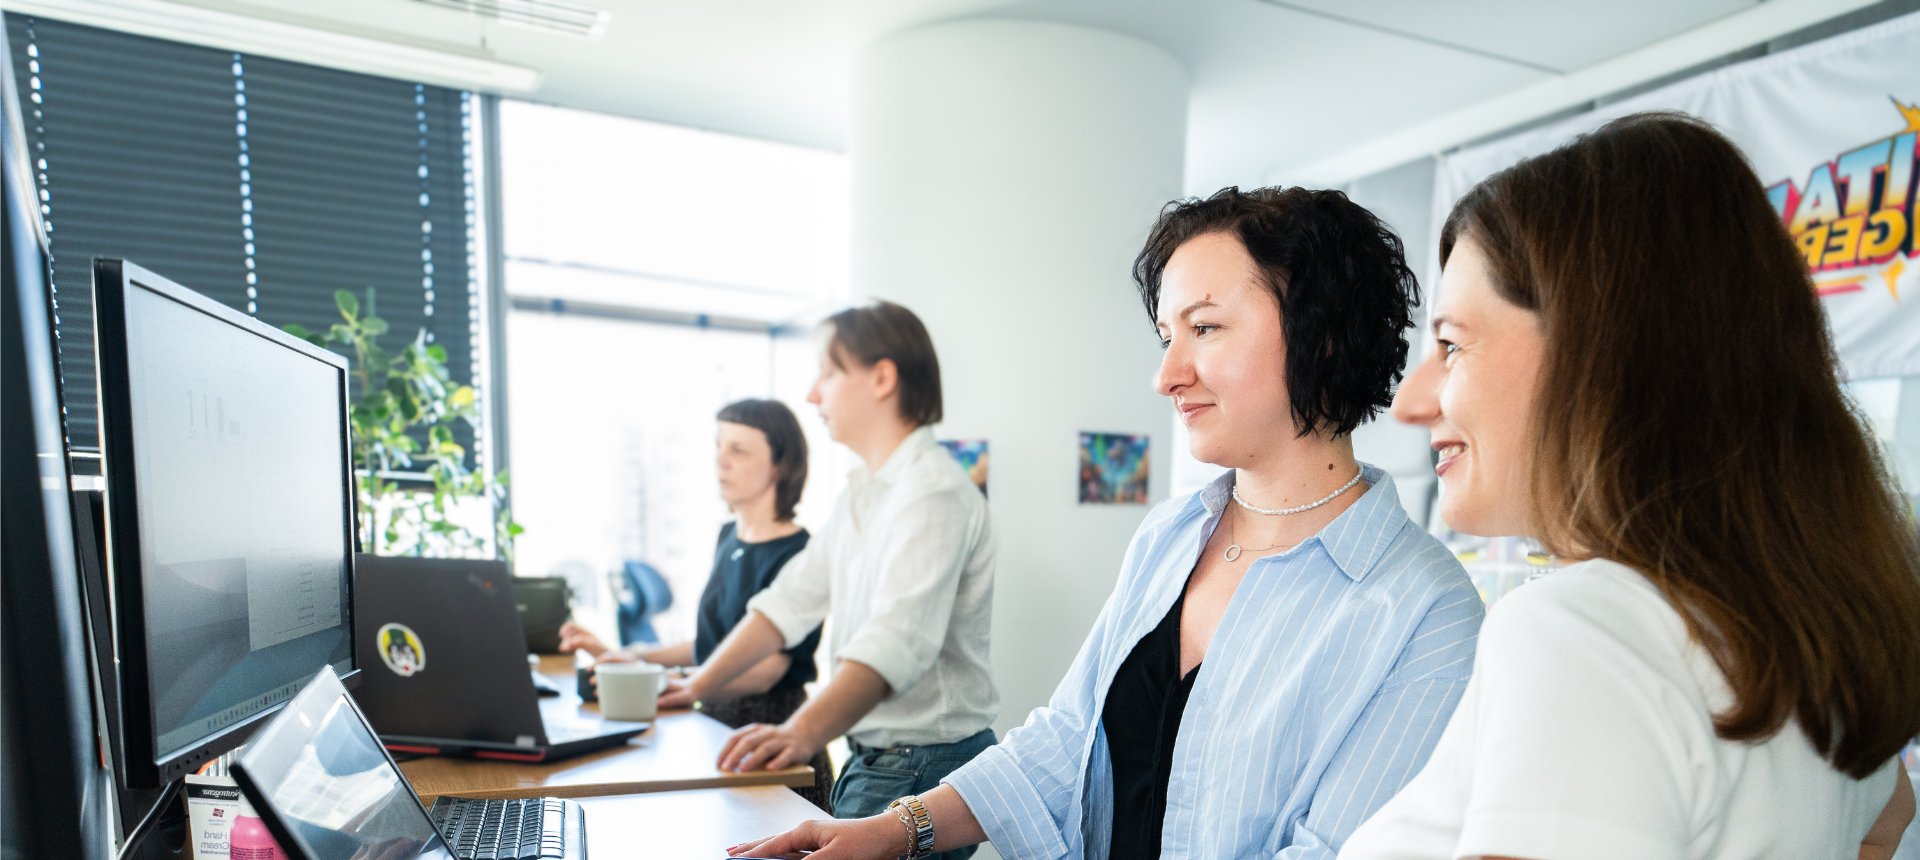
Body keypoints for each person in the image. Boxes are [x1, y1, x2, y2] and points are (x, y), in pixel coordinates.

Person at [728, 187, 1485, 860]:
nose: (1167, 375)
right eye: (1166, 337)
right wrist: (895, 830)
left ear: (1324, 333)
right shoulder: (1171, 535)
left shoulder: (1426, 608)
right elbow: (1065, 740)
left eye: (1205, 328)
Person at [1341, 112, 1920, 859]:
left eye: (1451, 345)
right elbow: (1885, 823)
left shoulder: (1586, 628)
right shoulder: (1805, 644)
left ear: (1596, 353)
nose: (1411, 401)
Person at [659, 301, 998, 857]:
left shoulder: (932, 494)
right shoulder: (861, 495)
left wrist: (799, 733)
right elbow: (788, 603)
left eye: (828, 373)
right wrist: (697, 685)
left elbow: (892, 645)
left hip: (921, 765)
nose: (813, 394)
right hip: (880, 759)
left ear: (882, 378)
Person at [557, 398, 833, 809]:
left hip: (767, 734)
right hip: (715, 722)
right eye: (719, 446)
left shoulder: (799, 553)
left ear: (780, 464)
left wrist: (671, 680)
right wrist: (630, 656)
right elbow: (711, 646)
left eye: (738, 450)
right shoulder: (729, 536)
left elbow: (765, 672)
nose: (721, 460)